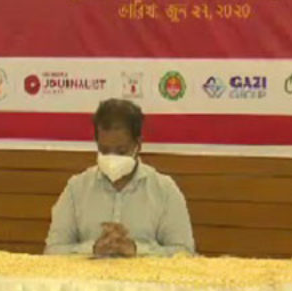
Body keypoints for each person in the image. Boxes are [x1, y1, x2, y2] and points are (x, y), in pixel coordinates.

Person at [44, 99, 195, 256]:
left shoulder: (165, 190)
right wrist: (92, 249)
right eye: (104, 150)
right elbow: (52, 250)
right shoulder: (76, 189)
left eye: (121, 151)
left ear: (138, 144)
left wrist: (137, 250)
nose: (112, 158)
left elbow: (184, 252)